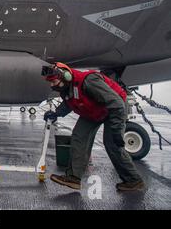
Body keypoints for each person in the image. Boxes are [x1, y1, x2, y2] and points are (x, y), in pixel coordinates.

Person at [41, 62, 145, 191]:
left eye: (54, 81)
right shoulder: (66, 87)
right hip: (92, 111)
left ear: (66, 76)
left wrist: (117, 131)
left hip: (112, 110)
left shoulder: (89, 81)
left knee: (113, 145)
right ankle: (74, 178)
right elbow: (69, 102)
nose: (52, 85)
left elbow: (116, 103)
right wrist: (56, 113)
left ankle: (134, 181)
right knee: (79, 137)